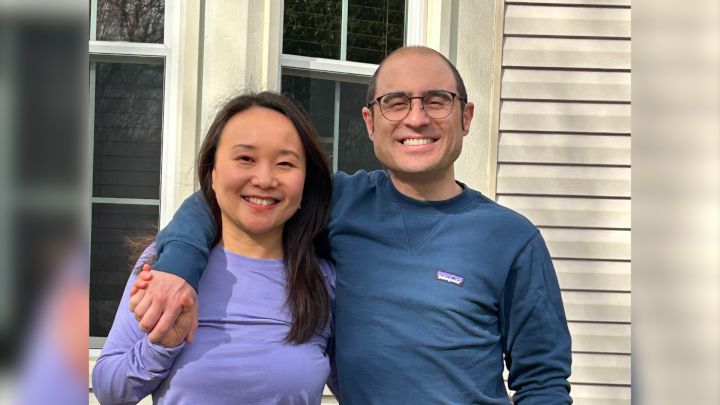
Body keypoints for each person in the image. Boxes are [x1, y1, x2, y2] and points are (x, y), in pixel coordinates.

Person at [131, 46, 573, 404]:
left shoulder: (511, 239)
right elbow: (224, 200)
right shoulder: (338, 203)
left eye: (437, 101)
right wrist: (178, 267)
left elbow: (543, 381)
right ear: (370, 121)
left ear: (466, 117)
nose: (416, 118)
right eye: (395, 102)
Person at [92, 91, 337, 404]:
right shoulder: (165, 268)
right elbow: (110, 390)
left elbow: (362, 387)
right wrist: (162, 344)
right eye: (245, 159)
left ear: (305, 182)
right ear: (213, 173)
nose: (264, 179)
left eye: (285, 163)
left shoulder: (324, 279)